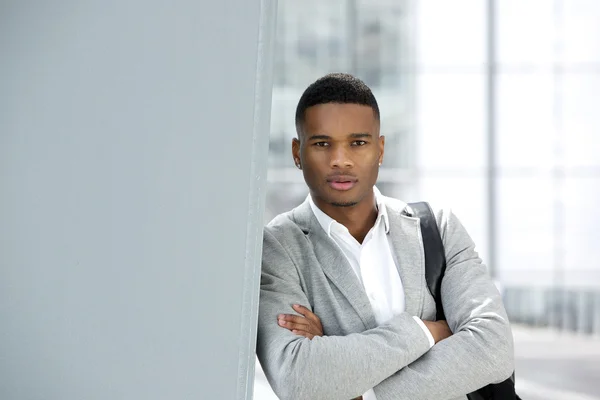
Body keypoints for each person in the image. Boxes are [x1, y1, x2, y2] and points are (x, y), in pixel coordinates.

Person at [256, 73, 514, 400]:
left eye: (358, 143)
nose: (340, 160)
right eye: (322, 144)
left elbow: (492, 348)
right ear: (297, 152)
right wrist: (428, 330)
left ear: (380, 149)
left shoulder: (437, 228)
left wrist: (359, 391)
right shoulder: (277, 248)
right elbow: (298, 379)